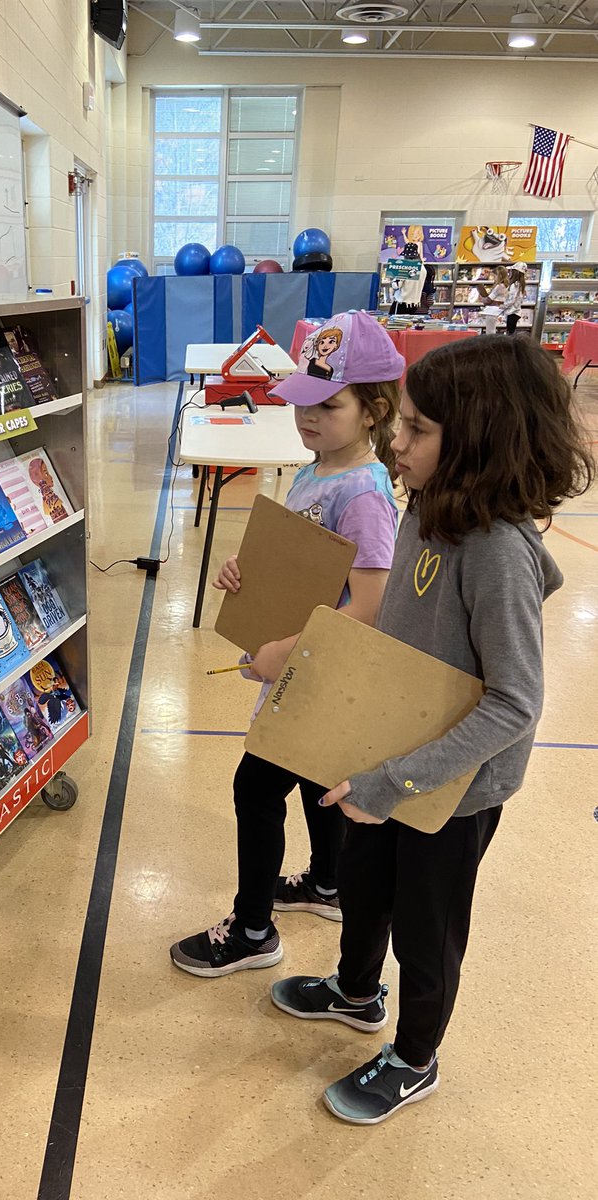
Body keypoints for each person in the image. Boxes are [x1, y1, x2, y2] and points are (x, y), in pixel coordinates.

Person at [271, 335, 593, 1125]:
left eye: (417, 429)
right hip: (394, 755)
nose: (396, 442)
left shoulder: (497, 551)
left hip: (455, 788)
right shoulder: (426, 506)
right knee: (365, 887)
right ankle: (355, 993)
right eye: (402, 423)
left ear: (479, 440)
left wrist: (394, 780)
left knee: (427, 927)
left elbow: (516, 703)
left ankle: (416, 1058)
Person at [170, 310, 404, 977]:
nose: (308, 417)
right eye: (304, 401)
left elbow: (371, 606)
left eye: (328, 406)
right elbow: (302, 568)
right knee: (316, 781)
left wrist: (289, 653)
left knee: (255, 788)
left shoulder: (363, 495)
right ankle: (326, 884)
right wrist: (246, 576)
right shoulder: (316, 470)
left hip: (320, 673)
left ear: (372, 411)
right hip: (305, 663)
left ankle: (252, 930)